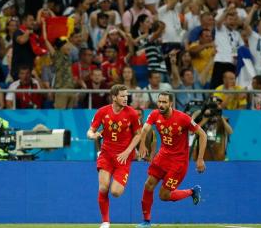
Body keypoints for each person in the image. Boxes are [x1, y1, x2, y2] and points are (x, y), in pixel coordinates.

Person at [136, 91, 207, 228]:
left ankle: (192, 191)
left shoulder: (183, 118)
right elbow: (144, 129)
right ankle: (146, 222)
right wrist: (143, 145)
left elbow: (202, 134)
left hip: (178, 162)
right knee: (148, 184)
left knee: (164, 195)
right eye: (160, 102)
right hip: (162, 156)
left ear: (171, 104)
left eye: (164, 102)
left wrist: (200, 159)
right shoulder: (155, 114)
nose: (161, 105)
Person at [86, 84, 142, 228]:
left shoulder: (132, 114)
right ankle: (105, 222)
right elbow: (90, 131)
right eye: (122, 96)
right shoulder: (102, 112)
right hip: (106, 154)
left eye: (127, 96)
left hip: (123, 157)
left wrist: (128, 151)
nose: (125, 98)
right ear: (114, 97)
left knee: (116, 192)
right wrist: (93, 135)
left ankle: (106, 219)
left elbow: (138, 135)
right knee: (103, 187)